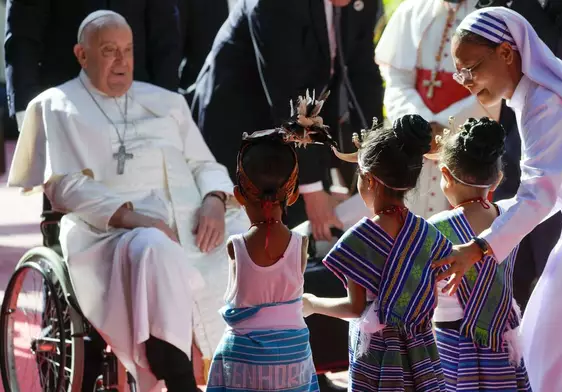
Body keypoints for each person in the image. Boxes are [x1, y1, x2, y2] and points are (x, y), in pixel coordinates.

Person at [6, 11, 249, 391]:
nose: (121, 61)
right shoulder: (57, 104)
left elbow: (204, 163)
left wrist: (215, 201)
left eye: (128, 51)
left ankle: (248, 366)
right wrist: (134, 219)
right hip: (107, 233)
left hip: (187, 219)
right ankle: (175, 368)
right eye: (109, 51)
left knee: (246, 235)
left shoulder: (166, 101)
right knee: (155, 247)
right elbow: (64, 186)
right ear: (82, 55)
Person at [433, 7, 562, 391]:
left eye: (471, 68)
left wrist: (479, 247)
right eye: (458, 71)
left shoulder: (545, 102)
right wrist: (488, 214)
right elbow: (546, 193)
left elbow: (539, 197)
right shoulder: (535, 95)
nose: (465, 81)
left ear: (507, 53)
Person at [192, 0, 384, 240]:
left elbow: (362, 73)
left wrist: (375, 154)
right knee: (253, 232)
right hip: (241, 121)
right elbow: (288, 94)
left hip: (298, 122)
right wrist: (313, 190)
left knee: (305, 231)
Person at [303, 114, 451, 392]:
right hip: (423, 355)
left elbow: (355, 308)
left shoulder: (359, 240)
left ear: (369, 181)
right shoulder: (429, 235)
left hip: (377, 357)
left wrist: (312, 303)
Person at [206, 96, 332, 391]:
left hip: (242, 360)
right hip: (292, 358)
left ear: (238, 195)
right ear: (293, 195)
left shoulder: (235, 246)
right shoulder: (299, 244)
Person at [428, 117, 530, 391]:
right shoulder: (510, 219)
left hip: (451, 347)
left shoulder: (434, 229)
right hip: (503, 344)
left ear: (445, 175)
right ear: (497, 178)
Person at [375, 0, 503, 217]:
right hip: (414, 142)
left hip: (469, 142)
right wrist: (420, 126)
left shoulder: (493, 15)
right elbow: (396, 78)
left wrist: (446, 127)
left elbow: (498, 85)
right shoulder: (413, 9)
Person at [4, 0, 181, 129]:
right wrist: (26, 109)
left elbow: (165, 36)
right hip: (66, 108)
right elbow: (23, 32)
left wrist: (165, 101)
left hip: (139, 105)